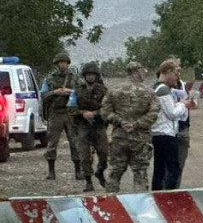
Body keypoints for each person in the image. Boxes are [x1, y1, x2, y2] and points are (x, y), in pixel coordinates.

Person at [101, 62, 159, 193]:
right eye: (143, 69)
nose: (145, 72)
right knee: (140, 173)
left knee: (115, 172)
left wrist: (121, 122)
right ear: (136, 71)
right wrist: (137, 124)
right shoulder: (149, 92)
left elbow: (105, 112)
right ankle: (141, 206)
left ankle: (111, 203)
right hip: (140, 139)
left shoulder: (114, 91)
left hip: (119, 137)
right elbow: (154, 113)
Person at [151, 60, 193, 191]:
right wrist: (183, 104)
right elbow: (172, 114)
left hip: (159, 134)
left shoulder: (156, 88)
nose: (177, 78)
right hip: (166, 135)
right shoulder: (163, 90)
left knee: (159, 169)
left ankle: (158, 196)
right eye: (175, 74)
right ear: (168, 72)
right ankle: (169, 197)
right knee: (173, 169)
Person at [67, 62, 109, 192]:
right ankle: (88, 181)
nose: (91, 77)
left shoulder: (103, 90)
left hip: (98, 125)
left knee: (104, 153)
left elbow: (108, 107)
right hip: (83, 126)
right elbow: (70, 108)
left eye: (93, 75)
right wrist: (83, 113)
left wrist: (95, 113)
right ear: (84, 76)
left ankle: (100, 172)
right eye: (88, 75)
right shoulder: (76, 90)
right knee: (84, 156)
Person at [41, 52, 80, 180]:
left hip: (71, 114)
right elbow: (44, 95)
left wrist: (70, 92)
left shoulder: (75, 78)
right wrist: (55, 92)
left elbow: (83, 93)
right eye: (60, 63)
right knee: (52, 143)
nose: (62, 65)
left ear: (67, 64)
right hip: (55, 114)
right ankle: (51, 172)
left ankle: (78, 171)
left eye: (64, 62)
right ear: (57, 64)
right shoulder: (49, 79)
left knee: (75, 142)